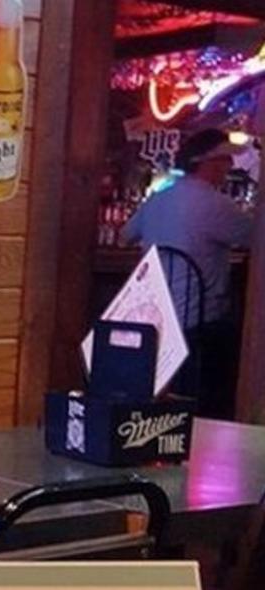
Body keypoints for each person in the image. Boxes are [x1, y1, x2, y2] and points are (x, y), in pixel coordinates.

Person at [122, 128, 254, 418]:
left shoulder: (159, 198)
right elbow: (256, 239)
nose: (230, 167)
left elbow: (124, 236)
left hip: (152, 315)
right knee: (242, 336)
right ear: (207, 163)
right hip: (198, 322)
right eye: (225, 160)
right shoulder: (216, 204)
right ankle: (216, 418)